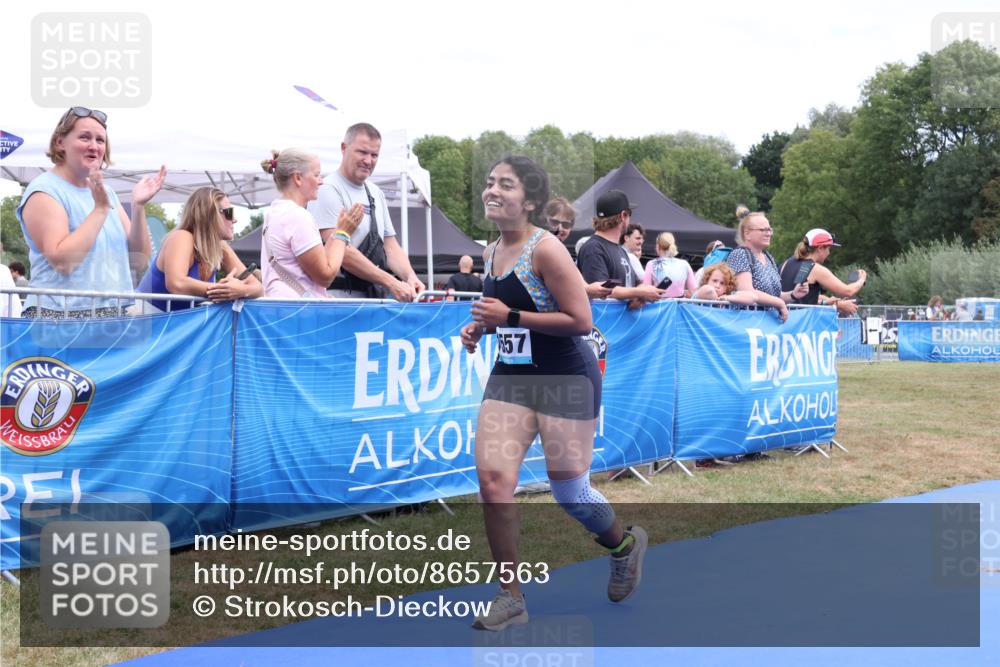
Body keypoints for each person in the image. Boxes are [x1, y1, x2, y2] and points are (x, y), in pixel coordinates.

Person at [460, 156, 647, 631]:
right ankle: (510, 595)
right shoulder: (490, 251)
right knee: (494, 483)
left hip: (565, 376)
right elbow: (500, 311)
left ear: (531, 201)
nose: (492, 191)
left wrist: (511, 318)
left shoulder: (547, 250)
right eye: (489, 182)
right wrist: (479, 327)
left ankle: (624, 546)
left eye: (506, 184)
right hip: (511, 379)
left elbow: (581, 321)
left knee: (570, 493)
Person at [16, 107, 166, 318]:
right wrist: (100, 210)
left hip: (113, 316)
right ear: (60, 142)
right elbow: (63, 262)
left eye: (100, 140)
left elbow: (139, 259)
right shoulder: (44, 191)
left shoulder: (108, 194)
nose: (94, 146)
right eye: (85, 137)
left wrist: (138, 206)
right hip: (60, 318)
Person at [308, 123, 425, 300]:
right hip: (338, 299)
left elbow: (390, 246)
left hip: (372, 297)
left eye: (374, 155)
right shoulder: (327, 189)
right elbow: (340, 250)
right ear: (344, 148)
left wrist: (410, 276)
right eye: (362, 152)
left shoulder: (375, 193)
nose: (368, 160)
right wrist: (391, 282)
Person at [259, 148, 362, 298]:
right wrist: (343, 233)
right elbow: (325, 276)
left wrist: (336, 234)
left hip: (281, 308)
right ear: (298, 178)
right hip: (299, 312)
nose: (321, 181)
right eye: (316, 175)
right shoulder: (298, 216)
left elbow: (317, 262)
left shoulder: (273, 213)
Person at [137, 187, 262, 311]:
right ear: (210, 214)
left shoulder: (221, 247)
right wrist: (223, 290)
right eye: (229, 212)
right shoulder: (182, 237)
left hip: (170, 325)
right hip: (141, 322)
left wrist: (239, 290)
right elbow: (176, 283)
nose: (234, 220)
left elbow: (258, 287)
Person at [576, 190, 663, 305]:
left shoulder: (620, 249)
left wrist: (638, 295)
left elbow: (634, 284)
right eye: (629, 214)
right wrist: (638, 292)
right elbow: (602, 291)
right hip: (603, 322)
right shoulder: (593, 248)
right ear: (623, 215)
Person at [726, 205, 808, 306]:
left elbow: (775, 296)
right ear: (747, 234)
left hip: (769, 320)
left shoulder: (768, 257)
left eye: (769, 230)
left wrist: (793, 294)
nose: (768, 234)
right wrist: (779, 303)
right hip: (748, 319)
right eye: (763, 230)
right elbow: (748, 293)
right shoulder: (739, 254)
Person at [778, 228, 866, 316]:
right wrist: (861, 280)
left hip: (783, 321)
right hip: (803, 325)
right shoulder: (815, 269)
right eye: (828, 249)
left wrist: (829, 302)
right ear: (820, 248)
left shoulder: (786, 263)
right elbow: (847, 291)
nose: (829, 253)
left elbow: (797, 295)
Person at [692, 262, 788, 321]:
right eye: (714, 281)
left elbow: (752, 297)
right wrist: (717, 301)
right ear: (707, 280)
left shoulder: (728, 297)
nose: (717, 285)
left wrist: (727, 298)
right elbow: (708, 290)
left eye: (722, 283)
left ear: (728, 287)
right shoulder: (700, 293)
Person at [642, 232, 698, 298]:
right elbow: (693, 291)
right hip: (679, 305)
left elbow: (646, 291)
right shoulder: (684, 264)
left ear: (658, 246)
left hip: (660, 305)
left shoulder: (651, 264)